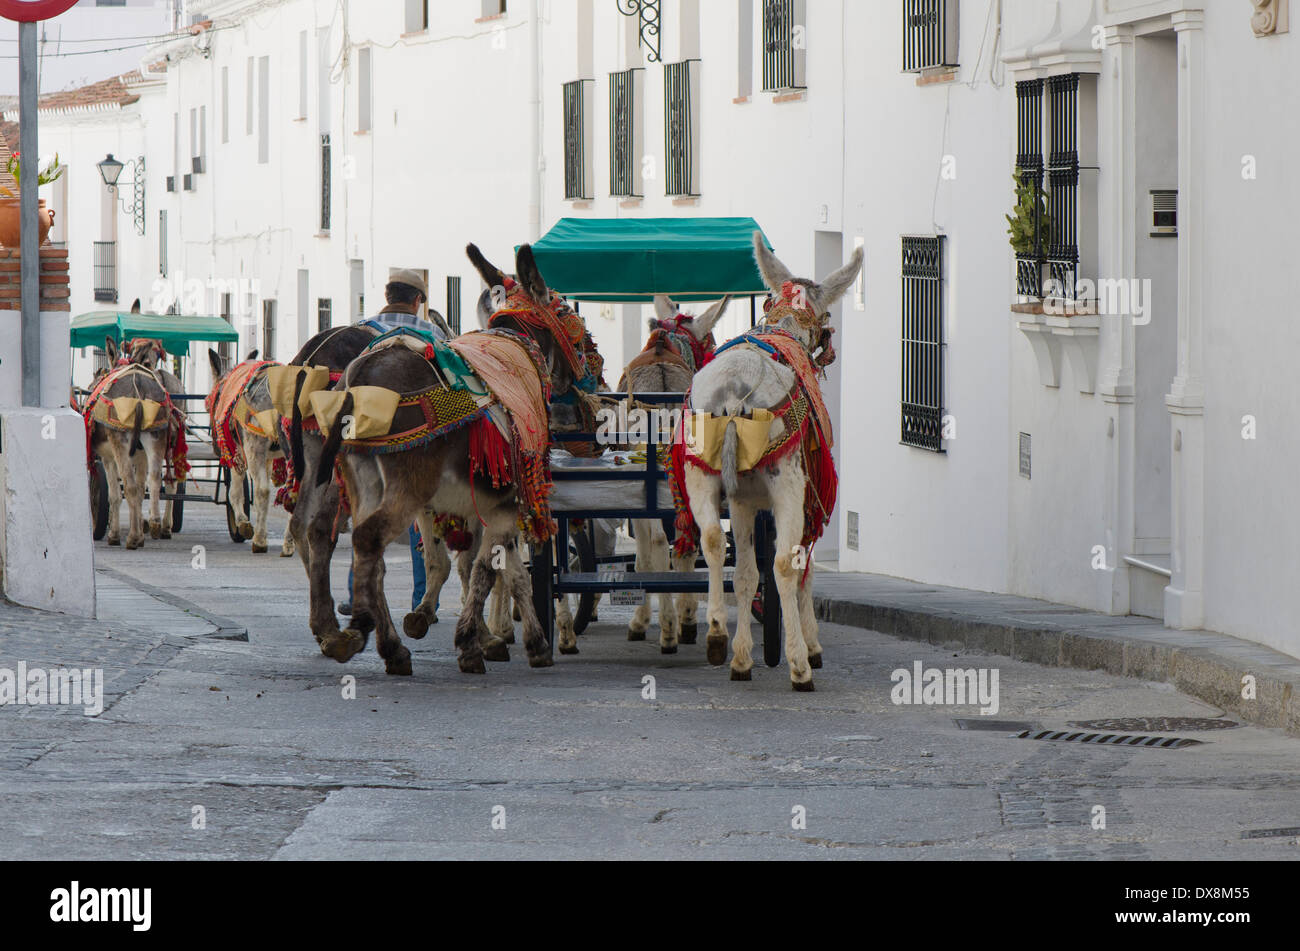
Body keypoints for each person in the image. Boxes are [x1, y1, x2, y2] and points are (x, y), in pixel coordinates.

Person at [338, 271, 452, 618]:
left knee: (366, 511)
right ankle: (422, 599)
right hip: (414, 435)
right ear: (418, 301)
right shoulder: (432, 333)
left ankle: (357, 594)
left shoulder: (361, 331)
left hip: (366, 431)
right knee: (420, 513)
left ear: (387, 296)